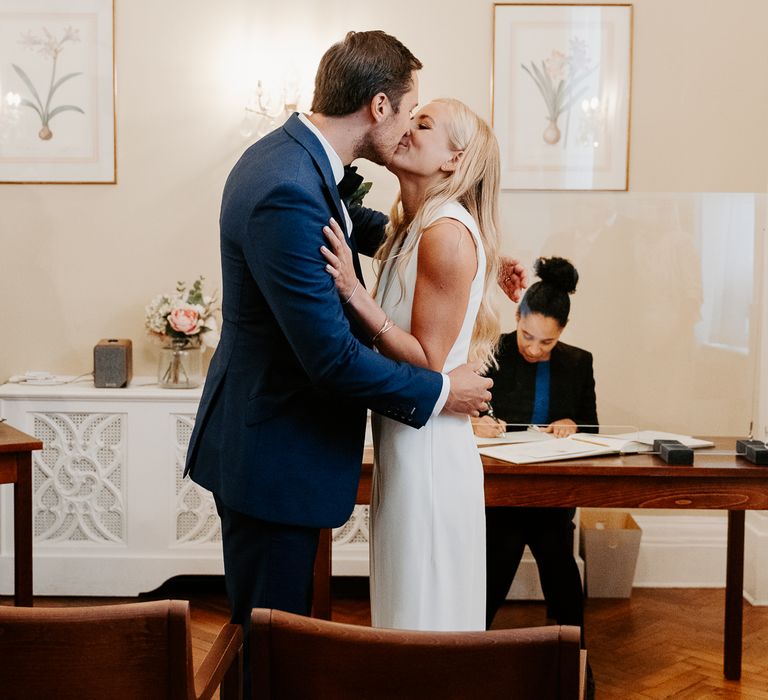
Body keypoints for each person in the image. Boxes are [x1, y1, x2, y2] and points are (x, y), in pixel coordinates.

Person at [183, 29, 500, 666]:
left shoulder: (292, 163)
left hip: (274, 447)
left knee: (278, 642)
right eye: (410, 111)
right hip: (276, 453)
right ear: (378, 108)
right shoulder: (289, 186)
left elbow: (373, 228)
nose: (409, 126)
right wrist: (442, 390)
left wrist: (473, 249)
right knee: (271, 651)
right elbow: (329, 358)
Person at [320, 97, 501, 630]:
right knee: (404, 606)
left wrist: (356, 296)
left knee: (424, 610)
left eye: (423, 124)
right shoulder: (415, 225)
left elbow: (426, 363)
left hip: (430, 457)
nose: (406, 128)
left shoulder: (445, 232)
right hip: (406, 442)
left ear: (454, 158)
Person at [474, 257, 596, 671]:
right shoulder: (493, 351)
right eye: (527, 335)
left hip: (551, 493)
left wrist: (571, 424)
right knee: (499, 557)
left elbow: (593, 427)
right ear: (517, 317)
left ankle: (577, 659)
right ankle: (466, 653)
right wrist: (476, 425)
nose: (533, 347)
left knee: (558, 559)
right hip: (502, 491)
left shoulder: (578, 363)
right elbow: (469, 411)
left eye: (546, 342)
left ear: (561, 333)